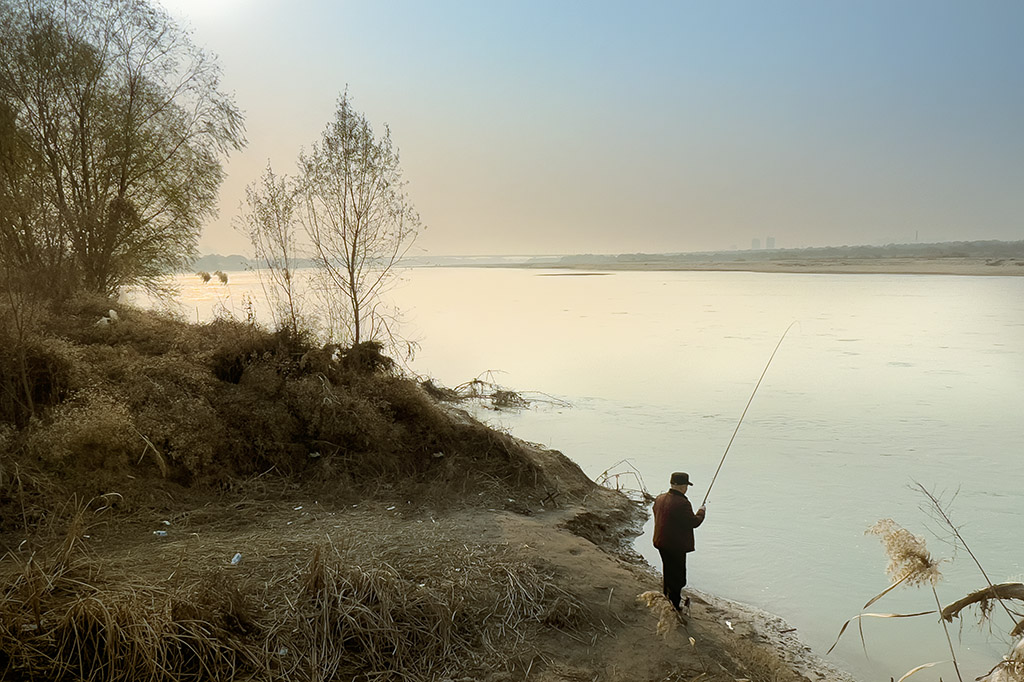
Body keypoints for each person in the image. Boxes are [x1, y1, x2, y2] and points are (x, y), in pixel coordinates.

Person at [652, 471, 706, 611]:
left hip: (660, 541)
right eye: (686, 486)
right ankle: (674, 605)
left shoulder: (659, 498)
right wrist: (702, 511)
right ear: (683, 487)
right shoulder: (682, 503)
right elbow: (694, 522)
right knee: (679, 576)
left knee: (668, 570)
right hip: (674, 545)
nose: (686, 489)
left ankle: (667, 597)